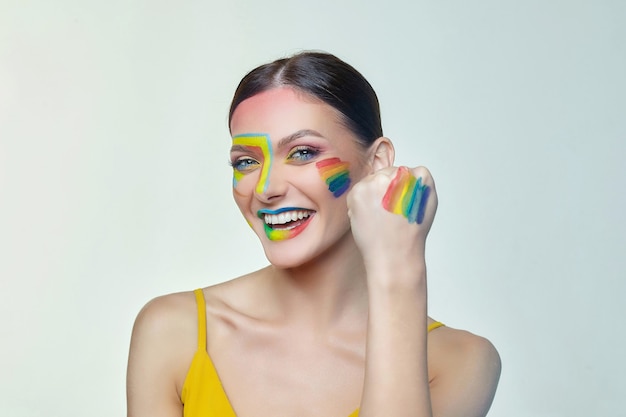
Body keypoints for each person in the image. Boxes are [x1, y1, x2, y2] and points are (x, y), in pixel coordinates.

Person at [126, 51, 501, 417]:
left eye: (303, 152)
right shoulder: (175, 331)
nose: (266, 188)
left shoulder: (458, 362)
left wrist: (398, 268)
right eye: (246, 162)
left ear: (378, 162)